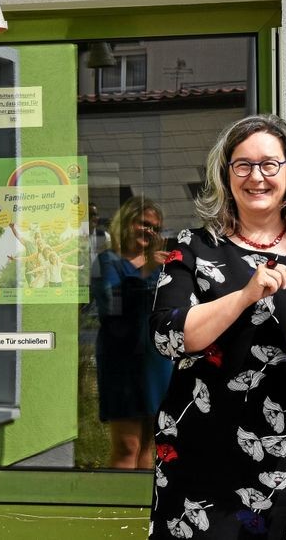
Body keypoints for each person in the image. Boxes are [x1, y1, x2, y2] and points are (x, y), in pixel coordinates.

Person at [148, 115, 286, 539]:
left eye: (270, 164)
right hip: (204, 445)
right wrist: (243, 295)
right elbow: (169, 336)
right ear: (226, 174)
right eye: (243, 165)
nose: (257, 176)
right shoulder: (192, 246)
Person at [93, 196, 172, 469]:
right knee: (127, 447)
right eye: (144, 224)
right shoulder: (108, 260)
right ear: (126, 224)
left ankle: (144, 510)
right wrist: (150, 272)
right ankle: (114, 511)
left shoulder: (161, 265)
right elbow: (111, 304)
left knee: (149, 446)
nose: (150, 231)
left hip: (156, 361)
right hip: (121, 361)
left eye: (156, 228)